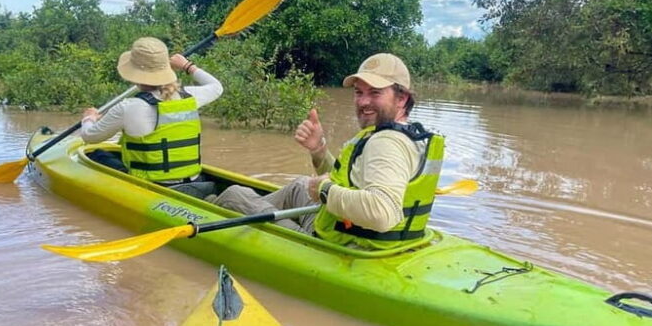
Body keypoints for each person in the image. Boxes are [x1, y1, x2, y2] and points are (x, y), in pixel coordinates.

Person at [211, 53, 444, 250]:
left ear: (401, 98)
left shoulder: (385, 142)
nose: (363, 102)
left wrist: (324, 190)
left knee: (235, 195)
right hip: (365, 235)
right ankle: (247, 211)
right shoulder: (411, 136)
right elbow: (352, 182)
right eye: (359, 92)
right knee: (300, 186)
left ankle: (215, 210)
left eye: (375, 93)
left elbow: (382, 213)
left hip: (338, 246)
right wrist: (318, 149)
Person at [81, 37, 223, 197]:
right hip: (196, 180)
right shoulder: (190, 96)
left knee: (98, 154)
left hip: (153, 187)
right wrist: (187, 66)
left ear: (134, 74)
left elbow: (89, 136)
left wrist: (89, 118)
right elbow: (217, 87)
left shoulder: (127, 107)